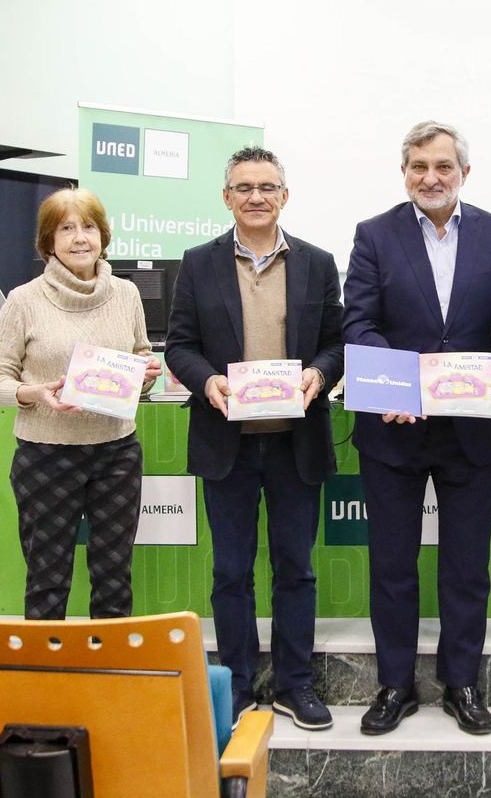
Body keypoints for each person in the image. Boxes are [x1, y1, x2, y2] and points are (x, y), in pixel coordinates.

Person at [343, 120, 491, 737]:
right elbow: (359, 323)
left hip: (471, 430)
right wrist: (396, 380)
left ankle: (462, 684)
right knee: (392, 565)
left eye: (443, 167)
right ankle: (395, 686)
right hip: (394, 428)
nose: (431, 178)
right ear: (404, 172)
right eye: (419, 167)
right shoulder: (374, 235)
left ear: (464, 173)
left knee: (466, 567)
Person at [164, 146, 345, 729]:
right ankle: (238, 684)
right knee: (231, 572)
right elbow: (179, 346)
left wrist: (321, 374)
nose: (256, 197)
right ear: (227, 198)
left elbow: (337, 342)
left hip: (297, 443)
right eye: (244, 188)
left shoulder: (318, 263)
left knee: (297, 570)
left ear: (284, 196)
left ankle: (295, 684)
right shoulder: (198, 262)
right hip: (228, 444)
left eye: (267, 187)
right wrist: (208, 381)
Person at [0, 187, 161, 619]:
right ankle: (48, 661)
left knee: (114, 576)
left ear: (103, 236)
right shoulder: (24, 300)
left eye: (89, 227)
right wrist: (34, 393)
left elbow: (140, 359)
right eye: (66, 228)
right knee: (48, 579)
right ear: (49, 241)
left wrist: (144, 376)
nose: (80, 238)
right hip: (46, 456)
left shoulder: (127, 295)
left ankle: (109, 659)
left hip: (116, 452)